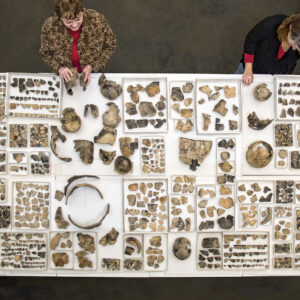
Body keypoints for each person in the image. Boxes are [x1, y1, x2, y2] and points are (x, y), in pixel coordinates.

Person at [39, 0, 116, 87]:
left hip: (93, 74)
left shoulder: (97, 20)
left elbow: (110, 45)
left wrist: (93, 66)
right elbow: (45, 53)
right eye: (69, 22)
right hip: (67, 77)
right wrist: (59, 68)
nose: (75, 25)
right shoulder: (49, 27)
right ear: (60, 17)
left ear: (82, 11)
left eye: (78, 19)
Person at [236, 13, 300, 85]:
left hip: (276, 78)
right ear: (291, 27)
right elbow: (251, 41)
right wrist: (248, 69)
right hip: (251, 68)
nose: (294, 49)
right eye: (293, 42)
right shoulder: (271, 24)